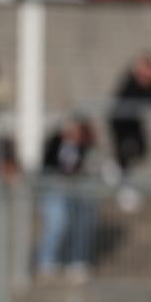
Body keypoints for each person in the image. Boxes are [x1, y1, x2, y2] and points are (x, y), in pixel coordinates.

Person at [37, 118, 96, 283]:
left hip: (79, 192)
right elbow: (47, 165)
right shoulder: (54, 144)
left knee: (81, 226)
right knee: (57, 224)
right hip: (56, 190)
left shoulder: (87, 147)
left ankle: (77, 261)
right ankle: (47, 261)